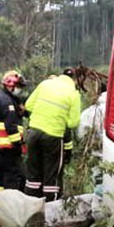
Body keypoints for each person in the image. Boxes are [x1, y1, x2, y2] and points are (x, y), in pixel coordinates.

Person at [24, 68, 81, 202]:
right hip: (53, 136)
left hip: (33, 133)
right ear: (74, 80)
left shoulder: (45, 84)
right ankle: (50, 209)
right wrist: (59, 118)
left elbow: (28, 105)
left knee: (33, 173)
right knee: (52, 175)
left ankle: (28, 206)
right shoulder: (73, 93)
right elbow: (73, 123)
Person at [0, 70, 27, 195]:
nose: (20, 90)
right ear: (11, 86)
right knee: (12, 174)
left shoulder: (1, 98)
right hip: (7, 144)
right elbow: (10, 126)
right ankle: (11, 201)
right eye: (19, 87)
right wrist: (18, 144)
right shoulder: (7, 102)